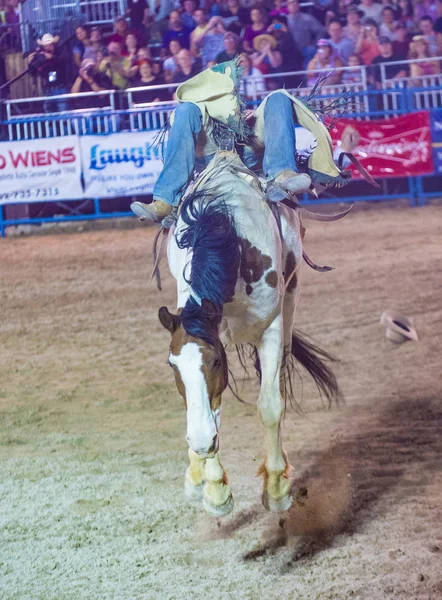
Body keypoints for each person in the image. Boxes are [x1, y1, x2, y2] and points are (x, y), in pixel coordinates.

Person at [131, 59, 350, 222]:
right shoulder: (195, 112)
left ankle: (282, 175)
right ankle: (166, 201)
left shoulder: (251, 117)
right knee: (185, 110)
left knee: (279, 97)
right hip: (213, 157)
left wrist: (247, 120)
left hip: (251, 154)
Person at [27, 33, 68, 111]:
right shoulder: (41, 57)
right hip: (47, 89)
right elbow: (33, 73)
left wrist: (51, 57)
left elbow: (65, 61)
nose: (48, 48)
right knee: (49, 112)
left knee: (63, 112)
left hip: (60, 88)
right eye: (46, 46)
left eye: (50, 45)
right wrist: (30, 63)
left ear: (54, 45)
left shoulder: (60, 53)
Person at [286, 0, 325, 66]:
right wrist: (274, 25)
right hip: (290, 50)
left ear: (298, 5)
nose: (293, 5)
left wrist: (315, 44)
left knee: (311, 50)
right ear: (287, 7)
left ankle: (306, 74)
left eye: (295, 2)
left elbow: (321, 30)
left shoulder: (308, 18)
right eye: (290, 3)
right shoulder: (285, 19)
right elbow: (275, 25)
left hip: (305, 48)